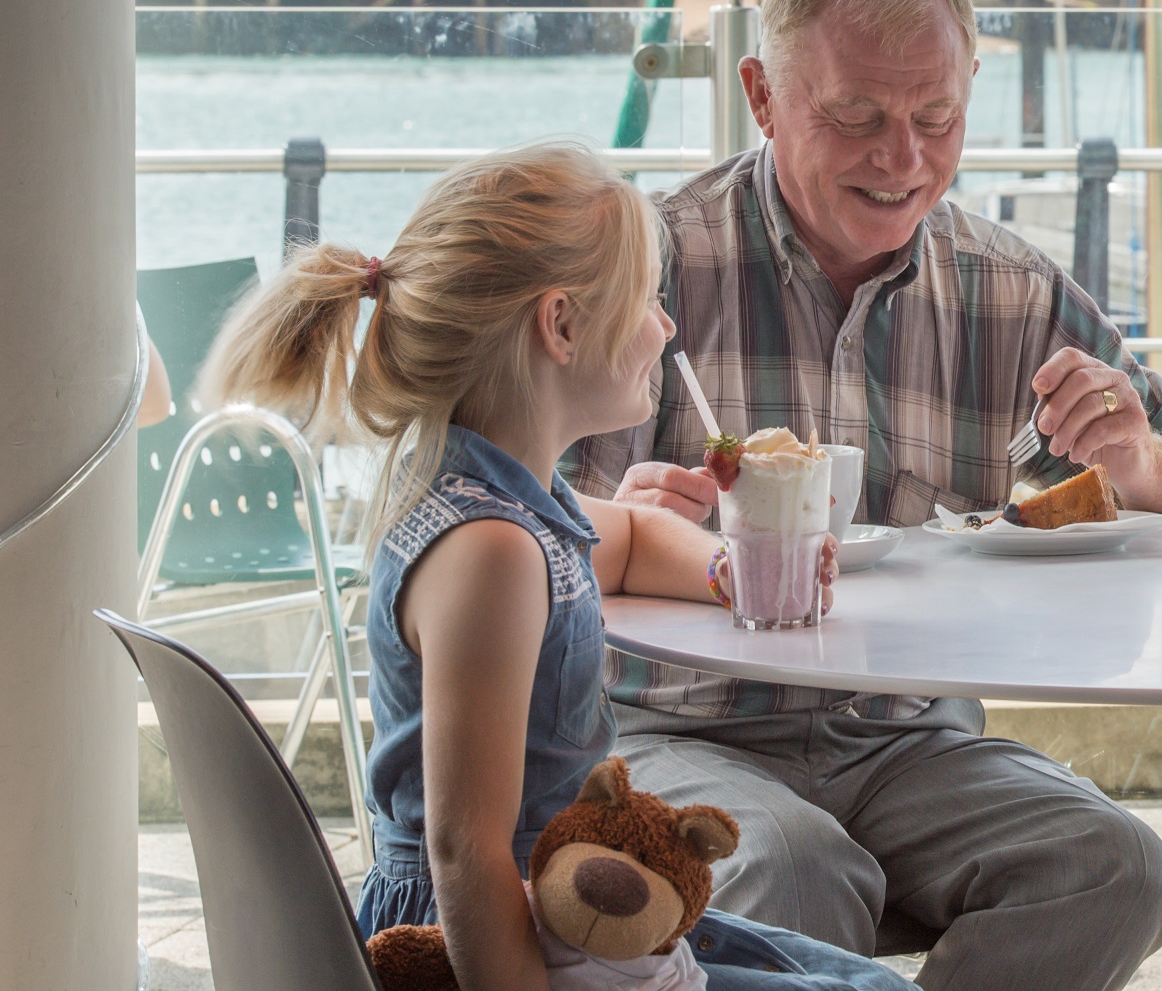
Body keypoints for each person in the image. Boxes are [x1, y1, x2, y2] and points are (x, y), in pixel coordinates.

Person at [566, 0, 1162, 991]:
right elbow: (489, 519)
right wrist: (609, 516)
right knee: (791, 865)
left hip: (904, 735)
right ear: (763, 96)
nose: (903, 158)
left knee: (1116, 868)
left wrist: (1141, 464)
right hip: (665, 721)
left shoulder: (1007, 289)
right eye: (857, 117)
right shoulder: (647, 267)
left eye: (937, 119)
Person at [203, 143, 909, 989]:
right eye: (648, 300)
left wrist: (732, 573)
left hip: (563, 906)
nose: (667, 325)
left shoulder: (507, 501)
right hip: (502, 933)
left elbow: (636, 542)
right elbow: (465, 850)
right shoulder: (492, 552)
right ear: (563, 325)